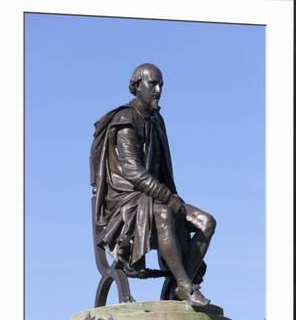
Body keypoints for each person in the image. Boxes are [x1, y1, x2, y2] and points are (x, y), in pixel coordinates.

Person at [90, 63, 216, 307]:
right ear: (137, 86)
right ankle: (186, 286)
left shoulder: (157, 120)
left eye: (161, 85)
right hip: (126, 202)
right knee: (163, 211)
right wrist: (169, 197)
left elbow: (163, 171)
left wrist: (171, 197)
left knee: (206, 222)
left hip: (157, 196)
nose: (158, 89)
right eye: (152, 84)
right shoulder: (125, 120)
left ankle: (182, 283)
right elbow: (133, 171)